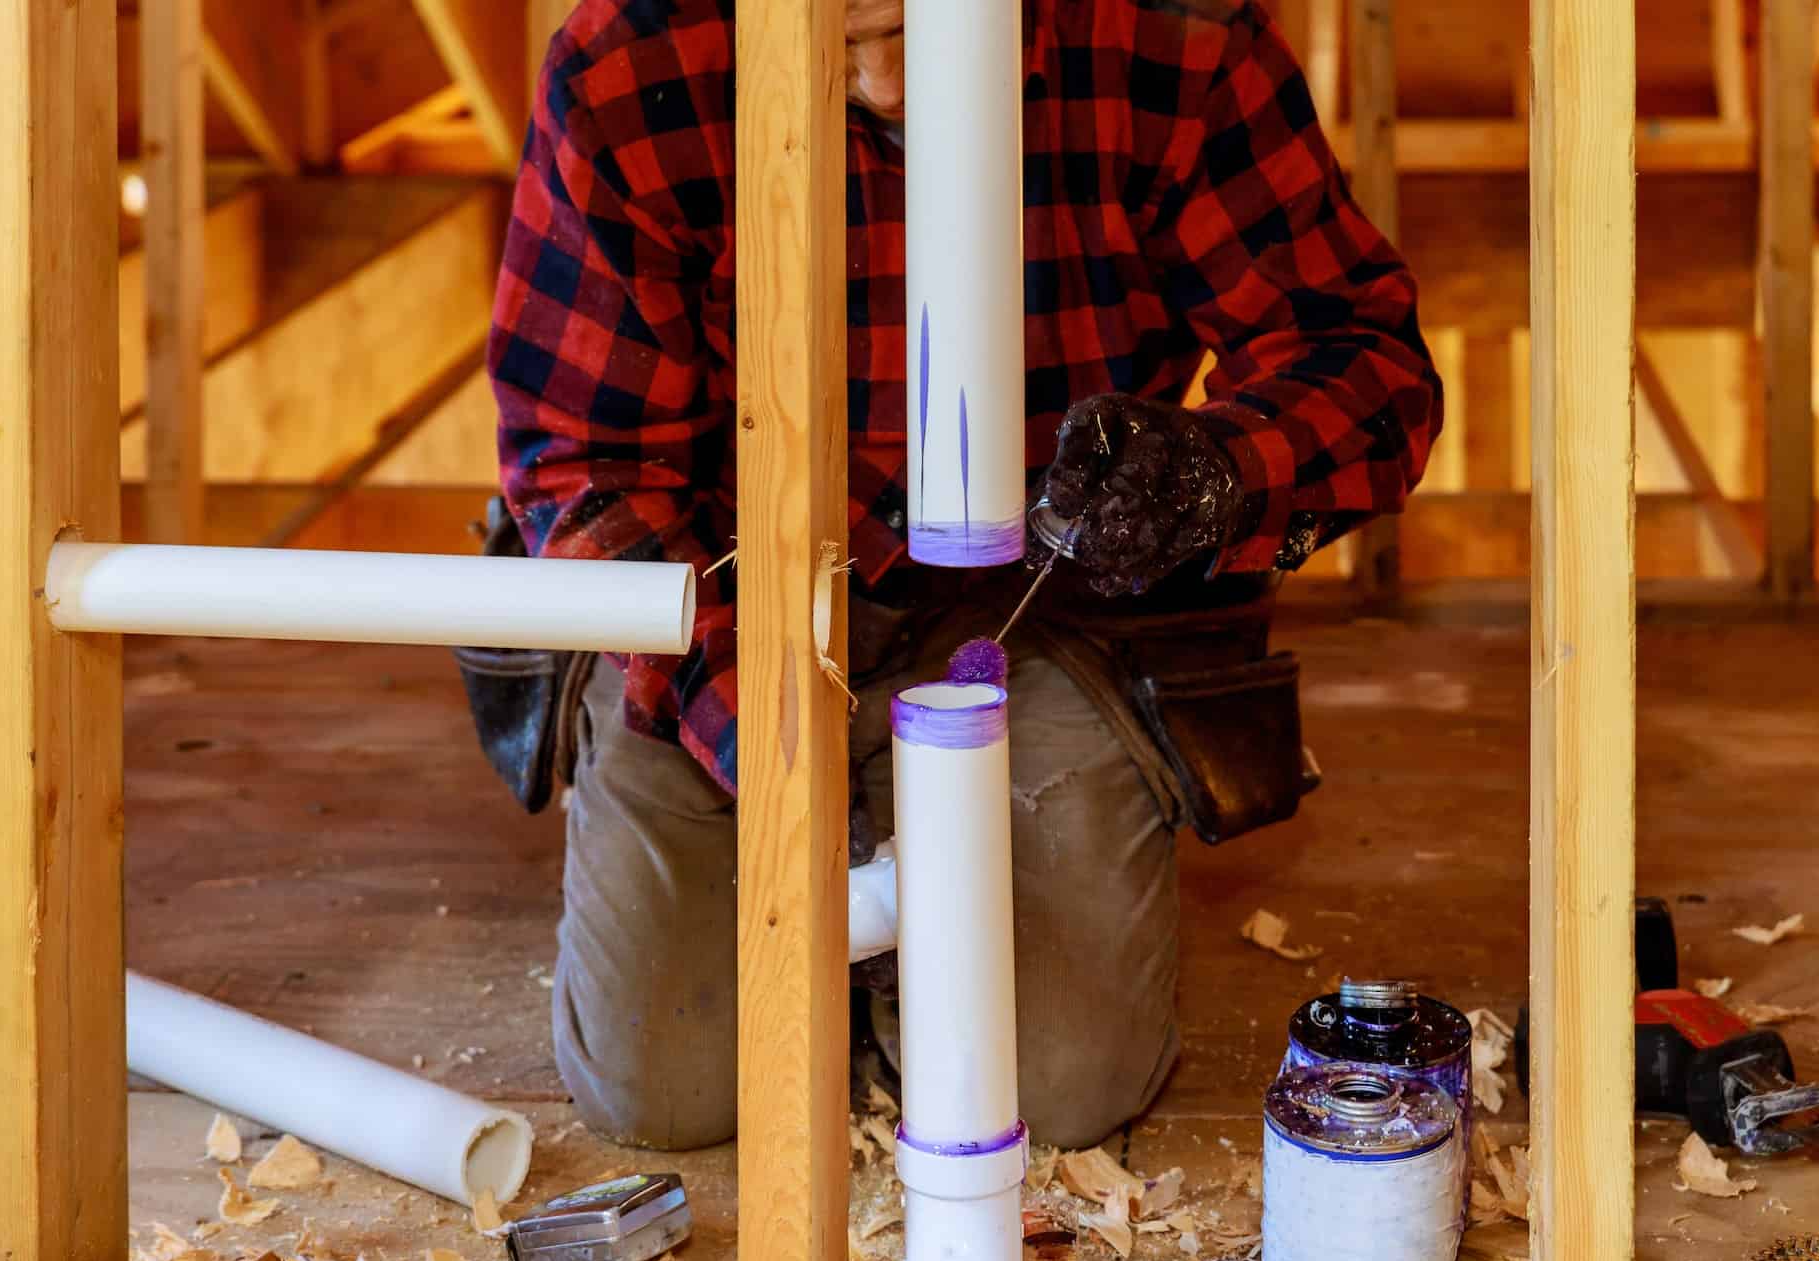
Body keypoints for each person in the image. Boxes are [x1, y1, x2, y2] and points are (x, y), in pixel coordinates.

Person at [486, 0, 1442, 1152]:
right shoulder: (632, 65)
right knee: (668, 1086)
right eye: (837, 43)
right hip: (730, 587)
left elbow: (1365, 360)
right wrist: (765, 740)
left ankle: (891, 933)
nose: (887, 85)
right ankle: (854, 911)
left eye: (912, 30)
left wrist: (1215, 469)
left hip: (1046, 603)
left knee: (1049, 1089)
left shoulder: (1172, 38)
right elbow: (583, 461)